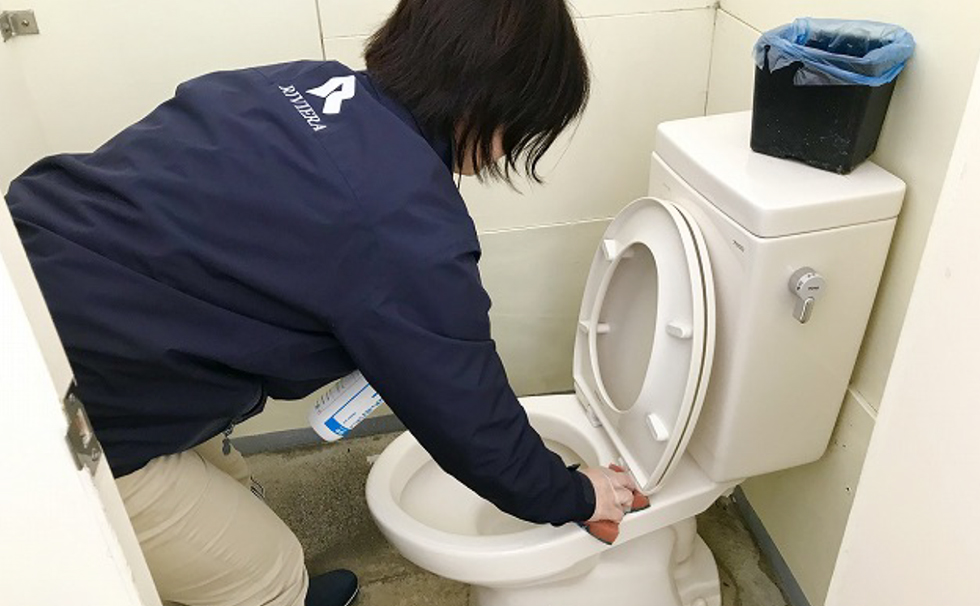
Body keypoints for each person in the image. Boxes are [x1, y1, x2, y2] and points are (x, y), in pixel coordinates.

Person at [5, 1, 641, 605]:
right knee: (266, 573)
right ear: (496, 104)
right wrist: (576, 495)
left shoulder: (296, 84)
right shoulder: (406, 228)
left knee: (224, 485)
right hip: (55, 411)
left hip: (26, 283)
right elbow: (472, 420)